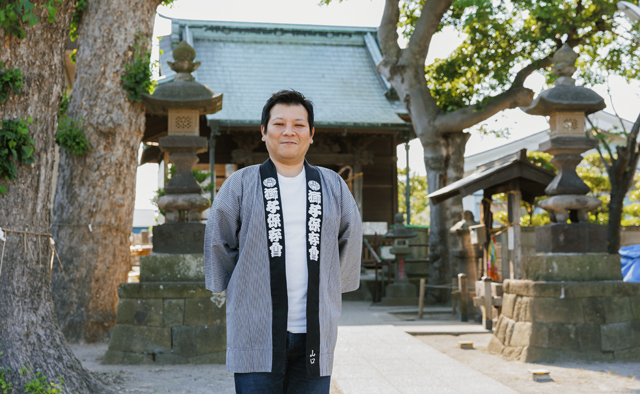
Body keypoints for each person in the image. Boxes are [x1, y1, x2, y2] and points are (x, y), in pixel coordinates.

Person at [204, 89, 362, 394]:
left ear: (311, 134)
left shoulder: (333, 186)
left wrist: (331, 284)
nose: (289, 131)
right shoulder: (240, 184)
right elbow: (218, 240)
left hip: (314, 332)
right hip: (255, 329)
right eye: (279, 124)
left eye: (299, 125)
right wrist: (236, 282)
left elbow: (350, 236)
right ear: (263, 132)